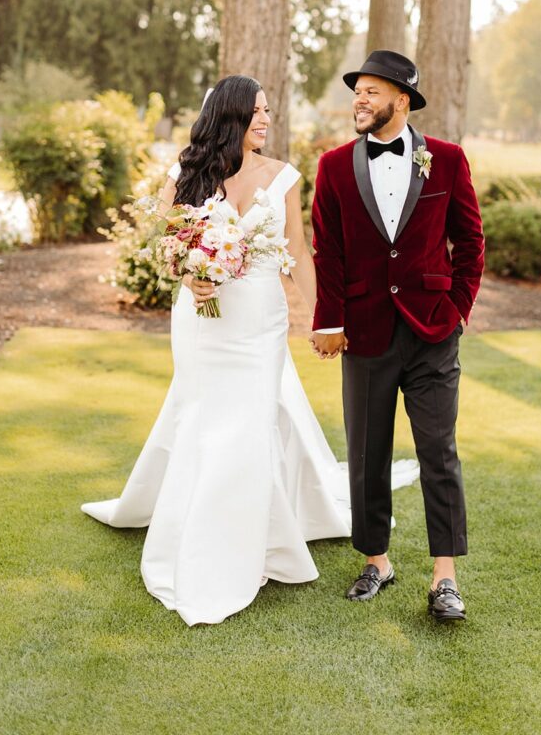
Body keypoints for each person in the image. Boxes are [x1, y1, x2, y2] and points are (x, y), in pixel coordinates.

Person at [82, 75, 417, 626]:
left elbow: (299, 253)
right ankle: (200, 524)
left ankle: (249, 537)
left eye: (268, 112)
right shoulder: (185, 174)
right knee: (203, 416)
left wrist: (324, 317)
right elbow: (164, 247)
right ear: (232, 116)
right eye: (258, 112)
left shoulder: (283, 176)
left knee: (249, 422)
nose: (266, 120)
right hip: (201, 322)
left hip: (258, 322)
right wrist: (189, 276)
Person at [310, 50, 484, 621]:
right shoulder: (333, 167)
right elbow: (327, 251)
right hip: (365, 333)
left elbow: (470, 242)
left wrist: (458, 309)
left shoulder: (449, 160)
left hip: (434, 330)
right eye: (356, 91)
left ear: (402, 100)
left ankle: (444, 579)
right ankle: (377, 560)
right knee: (367, 453)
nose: (359, 100)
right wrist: (329, 320)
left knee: (439, 450)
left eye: (371, 91)